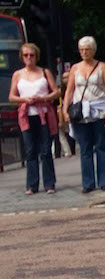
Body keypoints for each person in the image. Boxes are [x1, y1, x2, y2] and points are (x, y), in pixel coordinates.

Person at [61, 36, 105, 193]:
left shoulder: (101, 67)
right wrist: (65, 110)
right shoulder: (75, 69)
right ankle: (88, 183)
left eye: (87, 49)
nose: (84, 52)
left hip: (99, 110)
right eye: (82, 50)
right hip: (80, 113)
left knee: (101, 147)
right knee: (85, 149)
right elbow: (69, 91)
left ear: (93, 50)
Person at [9, 41, 59, 195]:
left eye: (31, 55)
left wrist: (43, 98)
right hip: (27, 115)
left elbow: (56, 92)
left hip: (43, 114)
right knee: (30, 151)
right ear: (22, 57)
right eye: (26, 55)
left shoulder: (44, 72)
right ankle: (32, 185)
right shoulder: (18, 74)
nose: (29, 58)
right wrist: (25, 100)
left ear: (36, 56)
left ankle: (49, 183)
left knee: (45, 150)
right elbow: (12, 97)